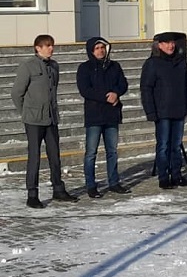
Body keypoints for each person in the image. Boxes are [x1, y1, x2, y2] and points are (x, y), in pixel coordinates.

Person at [11, 34, 78, 208]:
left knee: (55, 155)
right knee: (34, 156)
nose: (51, 48)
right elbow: (17, 93)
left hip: (51, 118)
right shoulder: (28, 66)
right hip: (33, 120)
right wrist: (26, 112)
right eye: (47, 46)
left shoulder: (54, 66)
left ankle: (58, 189)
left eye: (52, 45)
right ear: (37, 48)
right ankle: (32, 194)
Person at [76, 37, 131, 198]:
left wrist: (116, 94)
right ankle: (91, 185)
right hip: (94, 115)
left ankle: (114, 182)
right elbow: (85, 90)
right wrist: (105, 97)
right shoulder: (85, 68)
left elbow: (123, 84)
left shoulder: (114, 66)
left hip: (112, 114)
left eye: (102, 47)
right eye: (97, 48)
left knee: (112, 151)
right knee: (91, 152)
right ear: (91, 51)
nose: (100, 50)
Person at [140, 32, 187, 189]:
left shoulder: (181, 62)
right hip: (162, 112)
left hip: (179, 109)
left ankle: (176, 175)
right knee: (163, 145)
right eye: (167, 43)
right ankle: (163, 177)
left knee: (176, 145)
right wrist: (150, 111)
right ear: (159, 45)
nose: (171, 46)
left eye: (172, 43)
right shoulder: (152, 63)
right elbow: (146, 88)